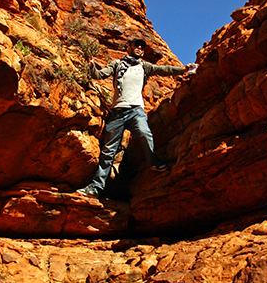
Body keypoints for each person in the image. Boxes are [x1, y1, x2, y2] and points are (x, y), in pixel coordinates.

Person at [76, 37, 196, 198]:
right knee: (108, 151)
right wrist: (91, 65)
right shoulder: (117, 64)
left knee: (145, 133)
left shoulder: (144, 66)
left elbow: (163, 69)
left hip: (136, 111)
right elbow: (99, 74)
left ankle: (153, 162)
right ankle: (96, 187)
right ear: (129, 47)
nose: (139, 48)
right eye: (136, 45)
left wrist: (182, 70)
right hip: (117, 113)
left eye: (142, 47)